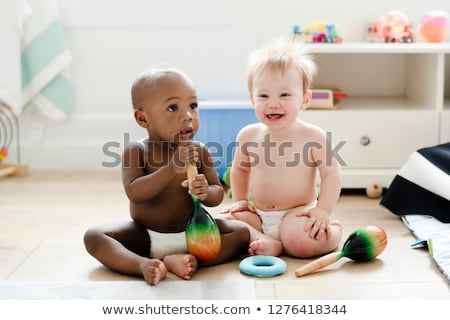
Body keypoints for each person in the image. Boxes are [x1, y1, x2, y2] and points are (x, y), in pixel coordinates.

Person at [84, 66, 249, 285]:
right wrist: (171, 169)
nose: (188, 115)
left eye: (193, 105)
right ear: (143, 119)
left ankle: (192, 260)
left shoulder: (199, 151)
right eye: (173, 107)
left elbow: (217, 193)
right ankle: (142, 265)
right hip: (147, 235)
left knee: (241, 232)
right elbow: (135, 192)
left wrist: (205, 192)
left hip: (194, 234)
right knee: (95, 237)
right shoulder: (136, 151)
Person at [221, 38, 343, 258]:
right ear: (252, 99)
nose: (273, 103)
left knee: (300, 242)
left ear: (304, 100)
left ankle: (333, 231)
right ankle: (267, 241)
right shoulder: (248, 135)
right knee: (222, 223)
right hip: (258, 215)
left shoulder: (313, 137)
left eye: (284, 95)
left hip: (296, 215)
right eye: (264, 96)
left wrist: (322, 210)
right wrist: (239, 201)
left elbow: (331, 175)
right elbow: (240, 170)